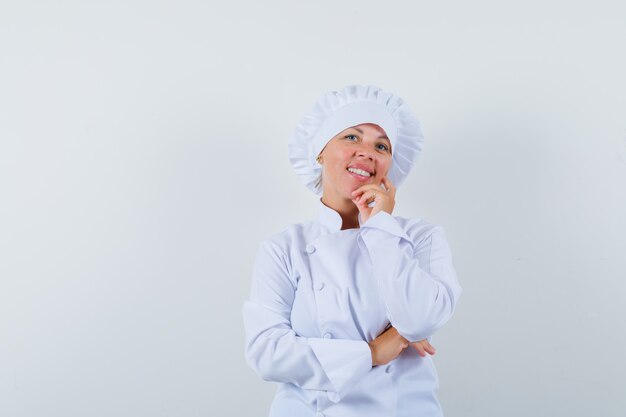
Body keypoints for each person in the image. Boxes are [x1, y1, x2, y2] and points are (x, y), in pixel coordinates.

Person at [242, 85, 462, 417]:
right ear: (319, 152)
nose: (367, 152)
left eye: (381, 146)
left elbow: (419, 320)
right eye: (351, 138)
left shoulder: (420, 237)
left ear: (390, 166)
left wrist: (381, 227)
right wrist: (373, 352)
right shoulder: (284, 248)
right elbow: (267, 352)